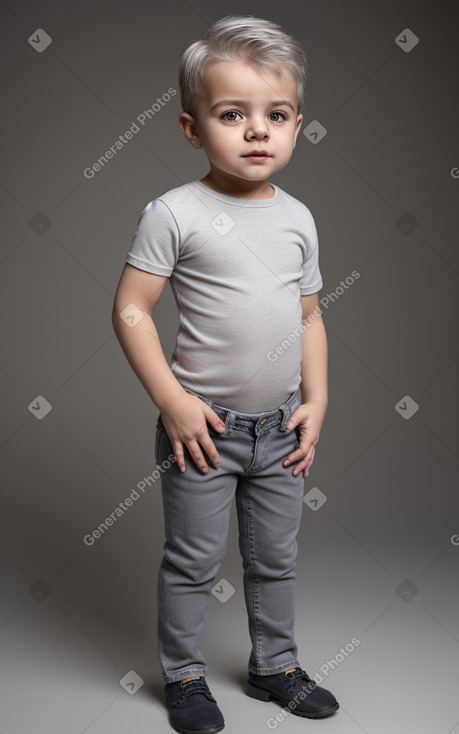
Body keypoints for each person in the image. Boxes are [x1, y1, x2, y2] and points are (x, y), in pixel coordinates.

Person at [112, 14, 339, 734]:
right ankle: (183, 676)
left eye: (274, 115)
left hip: (279, 430)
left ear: (297, 125)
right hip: (202, 429)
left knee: (275, 560)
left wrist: (319, 398)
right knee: (191, 562)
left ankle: (275, 666)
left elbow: (309, 317)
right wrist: (173, 402)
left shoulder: (298, 218)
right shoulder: (172, 213)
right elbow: (130, 311)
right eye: (231, 114)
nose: (255, 132)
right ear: (190, 128)